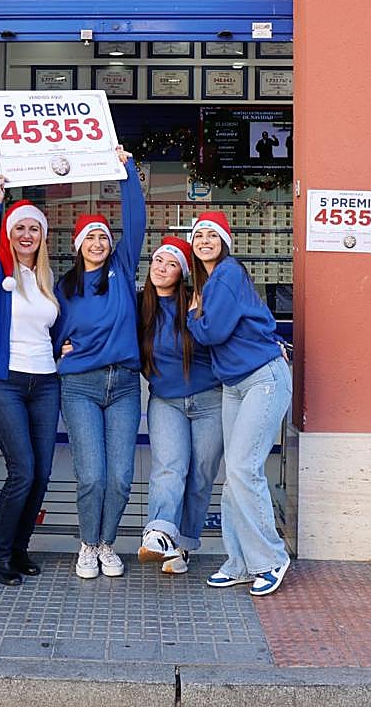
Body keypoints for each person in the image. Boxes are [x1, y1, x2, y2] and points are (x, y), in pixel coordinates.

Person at [186, 211, 293, 597]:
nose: (205, 240)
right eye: (199, 235)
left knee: (244, 469)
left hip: (263, 379)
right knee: (235, 475)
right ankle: (241, 562)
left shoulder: (227, 273)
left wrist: (192, 316)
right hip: (235, 385)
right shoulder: (213, 280)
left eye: (212, 235)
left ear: (225, 242)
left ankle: (271, 558)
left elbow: (212, 332)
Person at [52, 149, 143, 579]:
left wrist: (127, 170)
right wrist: (58, 349)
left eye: (103, 237)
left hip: (123, 384)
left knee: (120, 477)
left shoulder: (122, 269)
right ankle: (88, 544)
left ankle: (107, 543)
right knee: (92, 475)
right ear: (78, 246)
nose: (98, 243)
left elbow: (136, 218)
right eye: (90, 237)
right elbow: (48, 329)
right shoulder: (65, 287)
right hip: (80, 386)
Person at [0, 171, 60, 586]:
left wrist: (66, 347)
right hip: (2, 381)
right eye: (19, 228)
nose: (27, 235)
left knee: (41, 473)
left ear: (43, 236)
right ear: (9, 234)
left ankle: (20, 549)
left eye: (34, 229)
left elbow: (53, 326)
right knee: (22, 469)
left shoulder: (46, 279)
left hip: (45, 383)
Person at [136, 236, 223, 575]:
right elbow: (104, 328)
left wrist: (270, 342)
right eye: (158, 260)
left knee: (200, 475)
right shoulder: (140, 305)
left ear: (182, 273)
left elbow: (231, 330)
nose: (162, 268)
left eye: (172, 264)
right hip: (166, 401)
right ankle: (159, 533)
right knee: (169, 468)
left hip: (210, 399)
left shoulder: (197, 300)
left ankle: (182, 545)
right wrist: (69, 343)